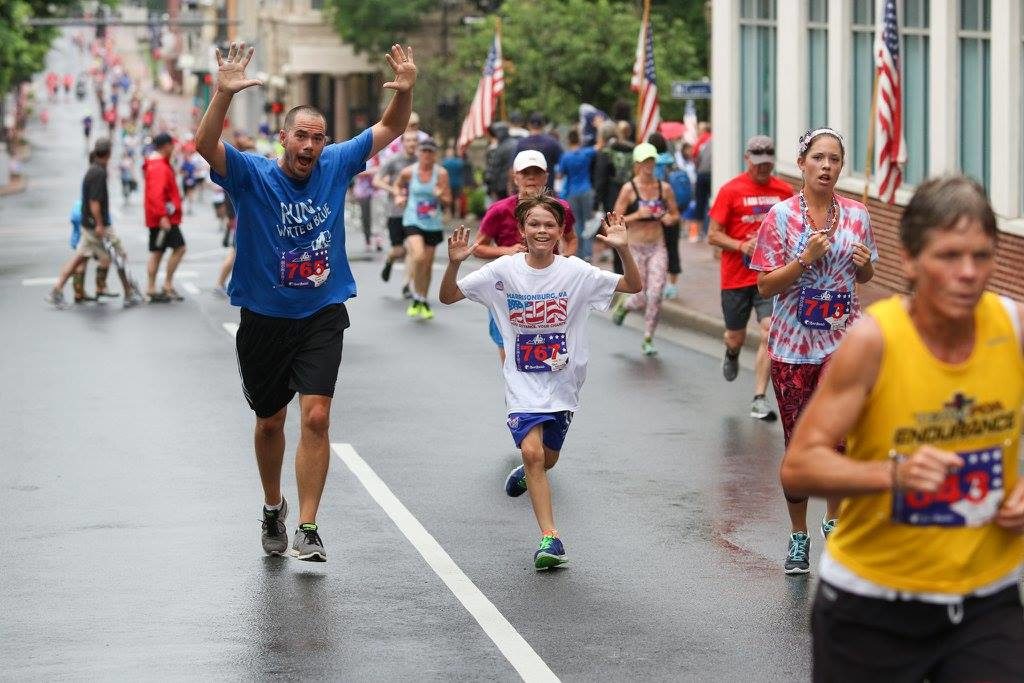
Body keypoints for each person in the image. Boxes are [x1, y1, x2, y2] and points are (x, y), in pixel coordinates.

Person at [780, 175, 1024, 681]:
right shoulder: (874, 342)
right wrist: (894, 475)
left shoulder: (1013, 329)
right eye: (949, 256)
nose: (968, 273)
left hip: (986, 603)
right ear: (910, 261)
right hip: (873, 607)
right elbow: (800, 465)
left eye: (982, 256)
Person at [196, 41, 417, 562]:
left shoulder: (337, 165)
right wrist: (221, 95)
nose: (311, 146)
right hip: (264, 318)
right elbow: (207, 145)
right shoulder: (253, 175)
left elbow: (390, 129)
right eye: (302, 136)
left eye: (319, 138)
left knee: (316, 417)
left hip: (320, 312)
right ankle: (273, 507)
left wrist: (405, 91)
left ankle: (309, 525)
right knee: (270, 420)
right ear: (285, 138)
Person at [439, 195, 641, 569]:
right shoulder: (503, 271)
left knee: (547, 457)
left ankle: (529, 474)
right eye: (534, 224)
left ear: (560, 231)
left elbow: (633, 285)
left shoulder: (576, 272)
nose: (542, 231)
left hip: (564, 382)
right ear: (522, 230)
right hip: (522, 381)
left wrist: (624, 250)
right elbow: (448, 296)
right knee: (532, 453)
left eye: (550, 224)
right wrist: (454, 265)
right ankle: (551, 538)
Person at [749, 128, 877, 574]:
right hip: (792, 346)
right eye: (819, 158)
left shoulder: (858, 215)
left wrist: (865, 267)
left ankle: (835, 524)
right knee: (799, 447)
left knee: (840, 439)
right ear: (802, 163)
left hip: (843, 344)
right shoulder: (780, 219)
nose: (827, 166)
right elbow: (765, 284)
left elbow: (865, 276)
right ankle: (798, 534)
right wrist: (804, 260)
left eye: (835, 160)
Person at [707, 135, 794, 422]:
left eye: (767, 164)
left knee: (770, 330)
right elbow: (713, 234)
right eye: (757, 164)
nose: (762, 169)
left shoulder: (784, 191)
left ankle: (759, 397)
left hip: (769, 276)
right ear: (747, 159)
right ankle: (731, 352)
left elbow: (795, 229)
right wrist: (742, 245)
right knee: (736, 335)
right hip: (735, 277)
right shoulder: (730, 190)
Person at [475, 150, 578, 362]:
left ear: (546, 177)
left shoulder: (561, 208)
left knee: (550, 352)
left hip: (547, 288)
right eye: (525, 173)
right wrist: (507, 250)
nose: (531, 178)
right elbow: (478, 248)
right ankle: (515, 393)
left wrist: (565, 263)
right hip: (508, 289)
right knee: (509, 351)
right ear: (515, 177)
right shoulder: (499, 210)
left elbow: (571, 239)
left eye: (537, 172)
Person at [45, 139, 142, 308]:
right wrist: (99, 224)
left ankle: (57, 290)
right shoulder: (98, 173)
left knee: (80, 257)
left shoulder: (94, 169)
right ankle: (128, 292)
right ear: (109, 153)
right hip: (97, 225)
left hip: (87, 224)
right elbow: (94, 202)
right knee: (119, 255)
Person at [610, 142, 680, 356]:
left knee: (656, 291)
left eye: (652, 161)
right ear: (637, 164)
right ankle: (625, 306)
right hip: (636, 249)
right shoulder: (629, 189)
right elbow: (615, 220)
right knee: (639, 293)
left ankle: (648, 337)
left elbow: (676, 215)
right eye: (645, 161)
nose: (649, 165)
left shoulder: (664, 188)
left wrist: (670, 218)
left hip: (657, 246)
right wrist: (637, 215)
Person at [394, 137, 450, 319]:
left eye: (430, 152)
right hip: (413, 219)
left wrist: (441, 196)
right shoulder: (409, 172)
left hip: (433, 223)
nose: (426, 154)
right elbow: (397, 185)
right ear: (418, 153)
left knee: (427, 264)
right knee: (418, 256)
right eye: (423, 151)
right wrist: (399, 196)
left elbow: (448, 200)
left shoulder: (441, 174)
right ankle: (416, 295)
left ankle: (422, 299)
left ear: (435, 155)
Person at [142, 132, 187, 302]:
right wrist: (162, 216)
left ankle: (153, 288)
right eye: (172, 145)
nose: (174, 148)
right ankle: (164, 285)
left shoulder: (157, 164)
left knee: (158, 251)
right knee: (178, 248)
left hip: (161, 217)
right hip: (164, 218)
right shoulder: (159, 166)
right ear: (166, 146)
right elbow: (156, 193)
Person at [374, 130, 418, 294]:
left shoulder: (420, 162)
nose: (412, 143)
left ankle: (407, 285)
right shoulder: (394, 161)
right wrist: (394, 190)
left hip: (414, 213)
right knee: (400, 250)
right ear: (403, 143)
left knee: (413, 249)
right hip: (396, 212)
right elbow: (376, 180)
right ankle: (389, 261)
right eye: (409, 141)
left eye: (414, 140)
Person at [648, 132, 682, 299]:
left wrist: (657, 214)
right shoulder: (673, 161)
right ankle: (673, 285)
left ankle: (658, 284)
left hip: (659, 215)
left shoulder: (653, 166)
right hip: (675, 212)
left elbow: (653, 193)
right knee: (673, 249)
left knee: (658, 251)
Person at [556, 129, 596, 263]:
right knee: (588, 223)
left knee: (577, 223)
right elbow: (599, 147)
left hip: (572, 191)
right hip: (587, 189)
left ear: (568, 140)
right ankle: (588, 253)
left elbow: (560, 175)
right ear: (579, 139)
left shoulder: (566, 156)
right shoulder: (586, 153)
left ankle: (578, 253)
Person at [515, 112, 562, 193]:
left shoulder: (521, 144)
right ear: (543, 125)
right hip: (547, 189)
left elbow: (513, 168)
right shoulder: (552, 142)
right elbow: (562, 164)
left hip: (526, 190)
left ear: (529, 125)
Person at [692, 123, 713, 242]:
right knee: (709, 204)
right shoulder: (714, 139)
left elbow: (694, 154)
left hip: (702, 174)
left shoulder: (702, 139)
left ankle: (699, 232)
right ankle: (707, 231)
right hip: (712, 174)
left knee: (700, 203)